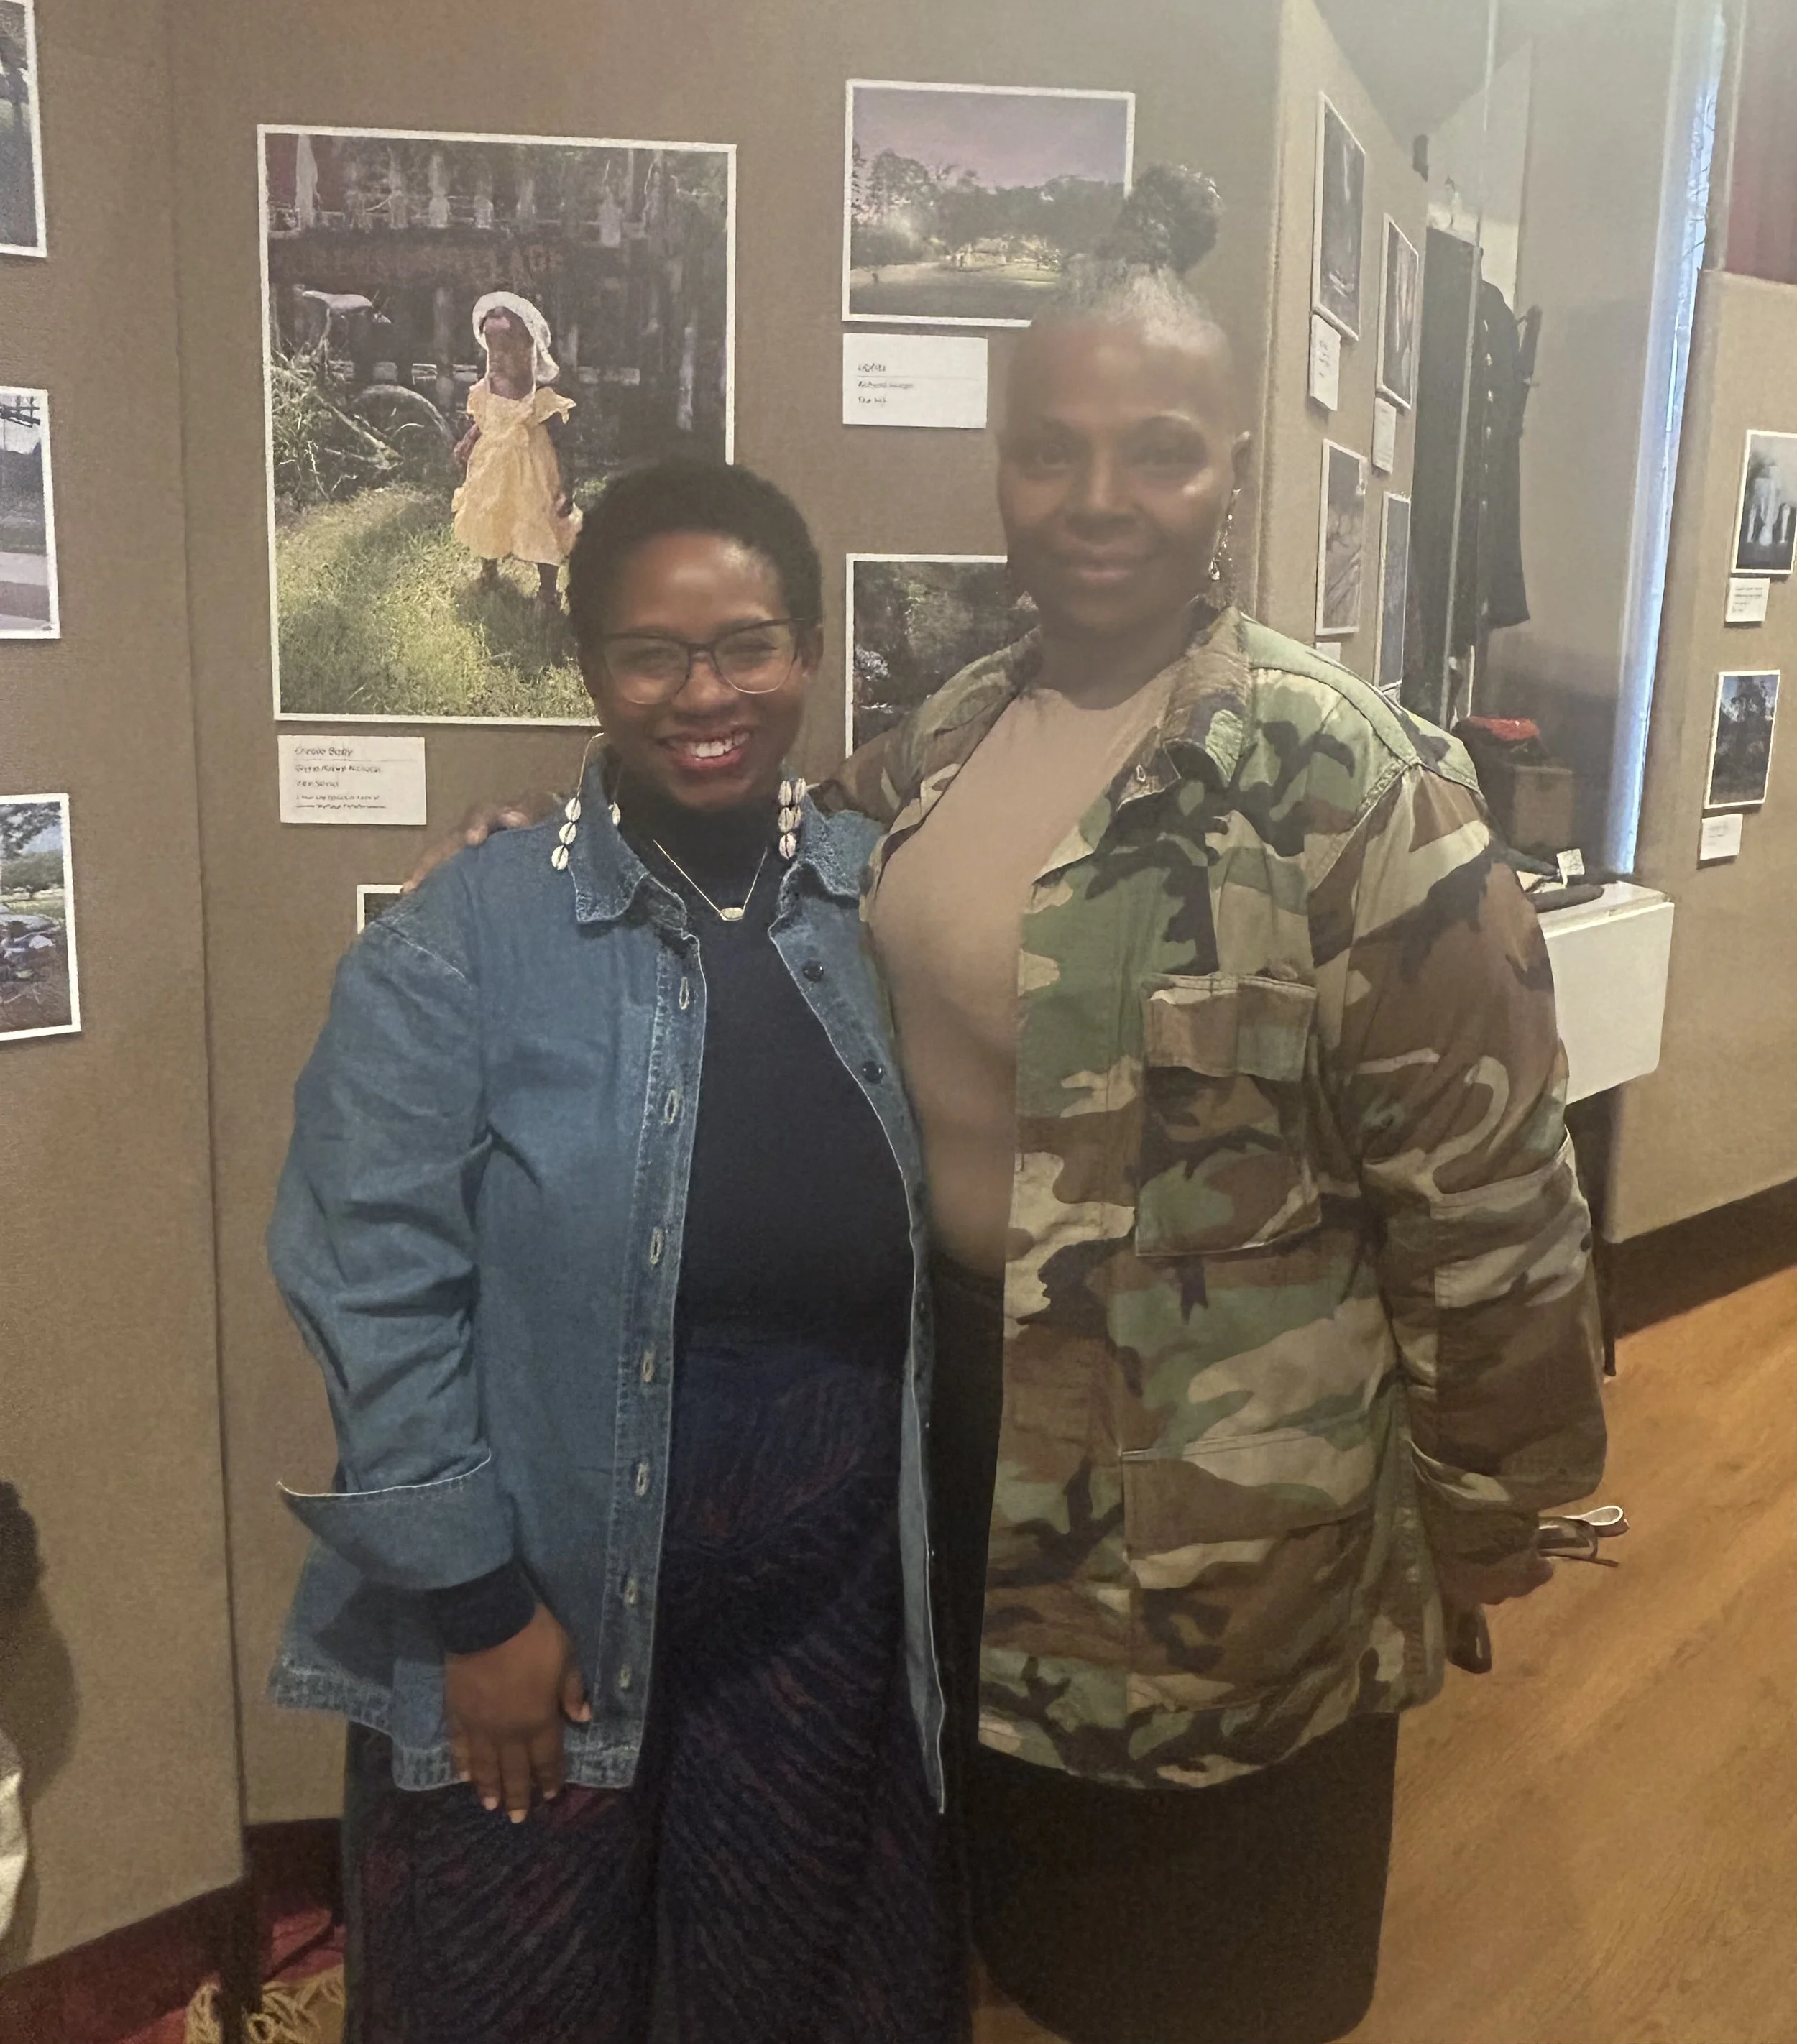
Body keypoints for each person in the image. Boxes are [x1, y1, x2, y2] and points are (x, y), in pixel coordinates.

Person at [415, 167, 1607, 2044]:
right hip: (959, 1431)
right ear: (1000, 469)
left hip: (1235, 1508)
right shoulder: (959, 719)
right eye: (1050, 452)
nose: (1100, 499)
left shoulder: (1351, 779)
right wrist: (564, 847)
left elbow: (1485, 1189)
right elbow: (786, 868)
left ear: (1230, 470)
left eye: (1156, 453)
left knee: (1216, 1966)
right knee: (1020, 1919)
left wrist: (1479, 1512)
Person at [267, 462, 958, 2044]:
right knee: (510, 1992)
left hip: (824, 1604)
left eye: (747, 645)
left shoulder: (875, 905)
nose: (702, 693)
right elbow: (370, 1279)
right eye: (651, 651)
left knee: (783, 1992)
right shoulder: (465, 936)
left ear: (805, 652)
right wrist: (474, 1605)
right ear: (585, 663)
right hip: (546, 1618)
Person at [450, 291, 581, 626]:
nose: (498, 358)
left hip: (532, 471)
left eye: (507, 349)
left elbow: (563, 440)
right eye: (492, 348)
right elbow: (481, 419)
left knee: (538, 521)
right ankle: (489, 570)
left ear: (529, 349)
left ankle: (548, 591)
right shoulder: (486, 387)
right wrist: (468, 440)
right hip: (491, 466)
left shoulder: (538, 394)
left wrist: (566, 484)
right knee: (488, 512)